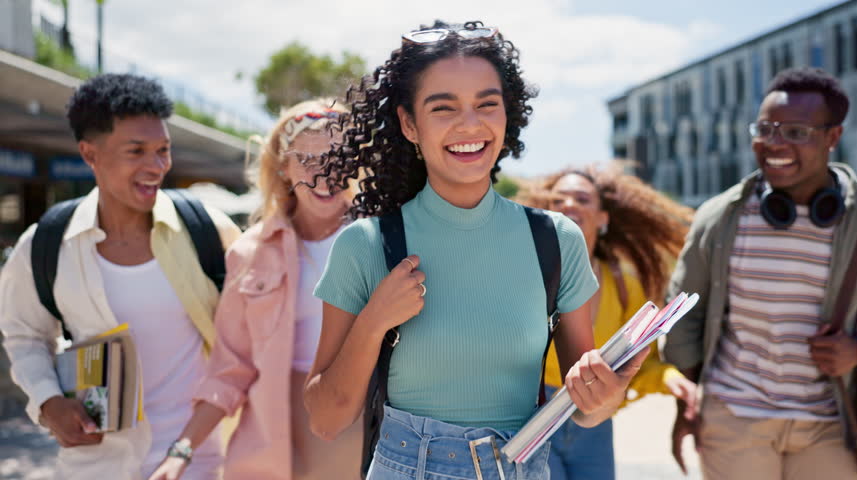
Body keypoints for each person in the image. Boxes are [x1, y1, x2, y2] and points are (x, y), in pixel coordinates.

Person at [302, 20, 649, 480]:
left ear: (507, 115)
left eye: (487, 104)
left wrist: (606, 394)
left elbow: (584, 413)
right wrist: (373, 323)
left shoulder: (556, 241)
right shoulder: (366, 246)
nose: (470, 124)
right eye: (443, 108)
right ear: (409, 124)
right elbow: (326, 421)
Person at [665, 66, 857, 480]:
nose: (773, 144)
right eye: (765, 129)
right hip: (733, 418)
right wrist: (688, 404)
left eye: (795, 132)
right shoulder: (720, 216)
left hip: (834, 425)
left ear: (833, 137)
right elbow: (683, 314)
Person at [0, 73, 240, 480]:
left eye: (163, 150)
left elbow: (251, 339)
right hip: (93, 467)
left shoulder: (208, 231)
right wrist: (48, 402)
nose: (156, 165)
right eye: (137, 151)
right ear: (90, 154)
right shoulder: (46, 243)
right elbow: (23, 335)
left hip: (197, 463)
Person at [147, 99, 362, 480]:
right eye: (307, 160)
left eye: (335, 158)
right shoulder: (249, 253)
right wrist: (181, 451)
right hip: (271, 443)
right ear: (284, 167)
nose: (323, 174)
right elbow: (231, 369)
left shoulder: (386, 240)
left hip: (364, 433)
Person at [520, 165, 697, 480]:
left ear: (603, 218)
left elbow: (640, 363)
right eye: (558, 200)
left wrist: (672, 379)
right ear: (546, 212)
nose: (569, 205)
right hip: (534, 417)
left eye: (581, 198)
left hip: (596, 424)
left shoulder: (625, 287)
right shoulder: (521, 274)